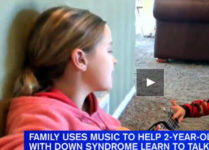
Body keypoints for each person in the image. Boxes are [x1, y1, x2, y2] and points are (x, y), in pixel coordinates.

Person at [0, 6, 128, 149]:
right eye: (109, 51)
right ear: (80, 60)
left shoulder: (88, 104)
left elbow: (113, 130)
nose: (114, 60)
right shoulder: (42, 113)